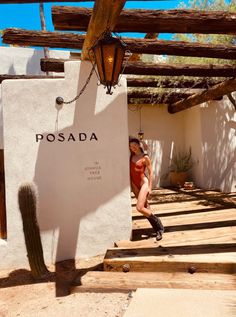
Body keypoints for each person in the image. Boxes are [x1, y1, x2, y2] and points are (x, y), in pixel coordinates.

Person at [129, 137, 164, 241]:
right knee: (145, 208)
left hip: (143, 183)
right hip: (135, 185)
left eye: (134, 145)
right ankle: (158, 230)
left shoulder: (145, 157)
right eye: (130, 146)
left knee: (139, 208)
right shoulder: (131, 156)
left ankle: (158, 222)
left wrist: (150, 187)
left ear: (139, 145)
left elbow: (151, 172)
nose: (132, 148)